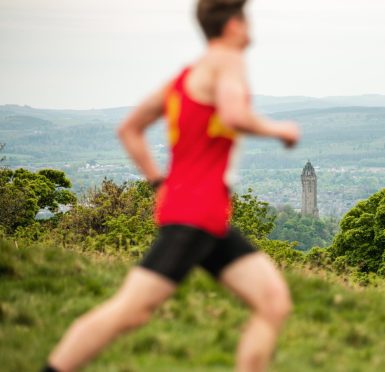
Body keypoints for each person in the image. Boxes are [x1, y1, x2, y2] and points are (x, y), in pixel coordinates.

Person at [42, 0, 300, 371]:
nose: (249, 27)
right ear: (231, 25)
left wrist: (157, 182)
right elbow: (232, 114)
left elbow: (129, 128)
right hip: (195, 215)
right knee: (129, 312)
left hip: (206, 214)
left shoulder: (184, 79)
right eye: (245, 18)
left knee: (273, 302)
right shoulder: (227, 60)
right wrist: (281, 130)